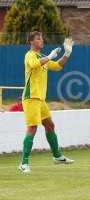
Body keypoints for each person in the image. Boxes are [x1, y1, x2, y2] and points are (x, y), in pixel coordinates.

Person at [19, 31, 74, 174]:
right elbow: (34, 64)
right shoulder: (29, 55)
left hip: (40, 100)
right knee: (32, 128)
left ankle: (57, 156)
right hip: (31, 98)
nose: (41, 41)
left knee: (50, 125)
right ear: (31, 41)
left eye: (42, 38)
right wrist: (49, 56)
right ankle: (23, 163)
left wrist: (67, 54)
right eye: (38, 39)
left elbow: (57, 66)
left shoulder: (43, 57)